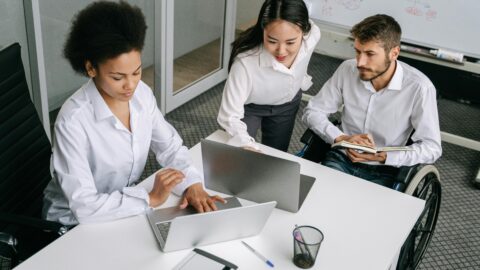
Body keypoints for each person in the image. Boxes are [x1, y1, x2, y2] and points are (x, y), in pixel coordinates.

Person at [43, 1, 224, 226]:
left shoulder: (141, 94)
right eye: (118, 77)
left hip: (123, 205)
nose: (130, 85)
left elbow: (170, 147)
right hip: (72, 224)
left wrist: (192, 184)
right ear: (91, 68)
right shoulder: (73, 121)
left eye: (136, 72)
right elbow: (84, 206)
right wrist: (150, 198)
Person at [302, 14, 442, 188]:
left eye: (370, 54)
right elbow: (313, 111)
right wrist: (341, 137)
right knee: (320, 199)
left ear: (394, 53)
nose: (360, 62)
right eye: (358, 51)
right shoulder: (347, 69)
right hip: (342, 156)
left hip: (385, 168)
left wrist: (383, 156)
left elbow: (432, 147)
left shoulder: (420, 88)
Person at [217, 0, 321, 152]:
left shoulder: (313, 35)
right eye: (272, 41)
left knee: (276, 154)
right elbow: (229, 115)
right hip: (250, 107)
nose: (281, 51)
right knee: (239, 153)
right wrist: (247, 144)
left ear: (304, 33)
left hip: (287, 103)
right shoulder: (245, 63)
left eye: (290, 42)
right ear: (263, 30)